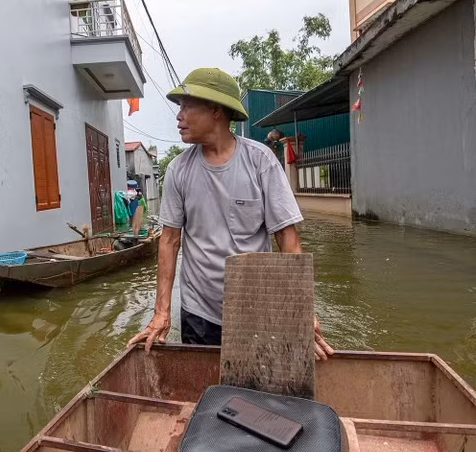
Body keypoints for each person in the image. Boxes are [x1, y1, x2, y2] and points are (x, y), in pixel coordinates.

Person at [127, 68, 333, 359]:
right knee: (206, 392)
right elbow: (170, 241)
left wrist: (301, 310)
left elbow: (288, 240)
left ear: (215, 111)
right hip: (199, 312)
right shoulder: (178, 170)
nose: (179, 115)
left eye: (186, 106)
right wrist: (161, 312)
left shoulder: (260, 161)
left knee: (252, 393)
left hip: (255, 306)